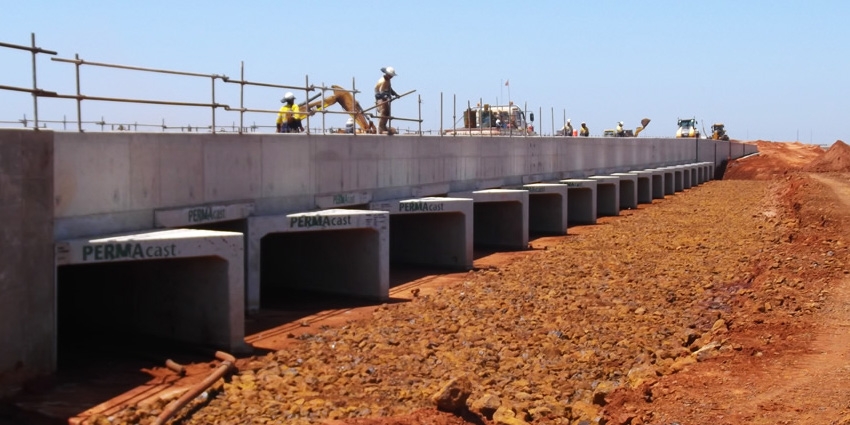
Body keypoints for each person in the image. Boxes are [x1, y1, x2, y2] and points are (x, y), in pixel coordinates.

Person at [374, 66, 399, 135]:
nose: (392, 77)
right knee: (383, 112)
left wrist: (395, 94)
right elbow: (380, 91)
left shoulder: (388, 79)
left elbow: (389, 88)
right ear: (388, 74)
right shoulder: (383, 81)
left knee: (387, 112)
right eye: (391, 76)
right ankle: (379, 127)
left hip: (385, 97)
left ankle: (383, 126)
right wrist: (385, 96)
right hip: (380, 97)